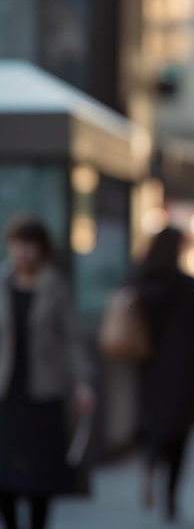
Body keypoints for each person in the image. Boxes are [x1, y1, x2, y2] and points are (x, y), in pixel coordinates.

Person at [0, 215, 95, 529]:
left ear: (41, 248)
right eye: (19, 244)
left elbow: (71, 338)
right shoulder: (1, 283)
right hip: (5, 391)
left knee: (41, 474)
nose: (24, 252)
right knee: (4, 473)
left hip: (43, 391)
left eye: (30, 244)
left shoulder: (55, 285)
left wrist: (82, 381)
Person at [130, 226, 194, 523]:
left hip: (150, 369)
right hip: (184, 371)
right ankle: (171, 499)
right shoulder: (188, 285)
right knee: (180, 436)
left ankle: (151, 458)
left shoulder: (141, 281)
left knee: (154, 425)